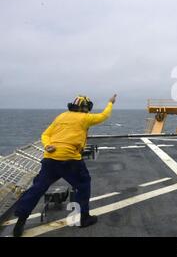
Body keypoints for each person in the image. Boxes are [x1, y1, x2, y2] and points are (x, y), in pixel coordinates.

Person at [13, 94, 117, 237]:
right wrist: (110, 103)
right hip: (70, 161)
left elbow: (45, 134)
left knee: (37, 188)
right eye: (86, 108)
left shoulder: (61, 116)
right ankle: (84, 218)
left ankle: (20, 221)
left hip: (50, 159)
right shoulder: (85, 118)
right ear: (83, 107)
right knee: (83, 184)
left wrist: (48, 145)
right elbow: (104, 116)